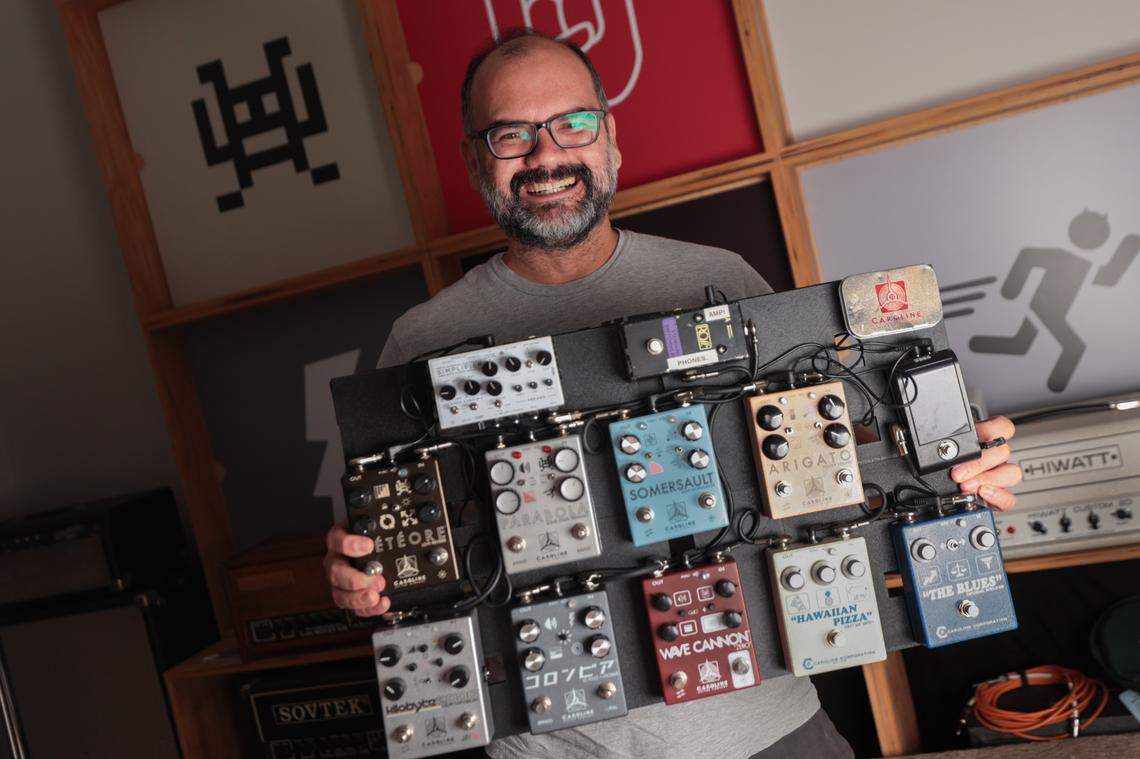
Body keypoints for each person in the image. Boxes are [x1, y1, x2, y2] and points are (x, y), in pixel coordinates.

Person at [324, 30, 1022, 759]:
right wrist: (353, 574)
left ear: (610, 139)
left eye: (573, 123)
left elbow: (855, 456)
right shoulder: (421, 340)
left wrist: (960, 473)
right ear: (475, 160)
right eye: (511, 135)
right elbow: (387, 546)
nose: (547, 154)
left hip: (767, 735)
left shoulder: (720, 283)